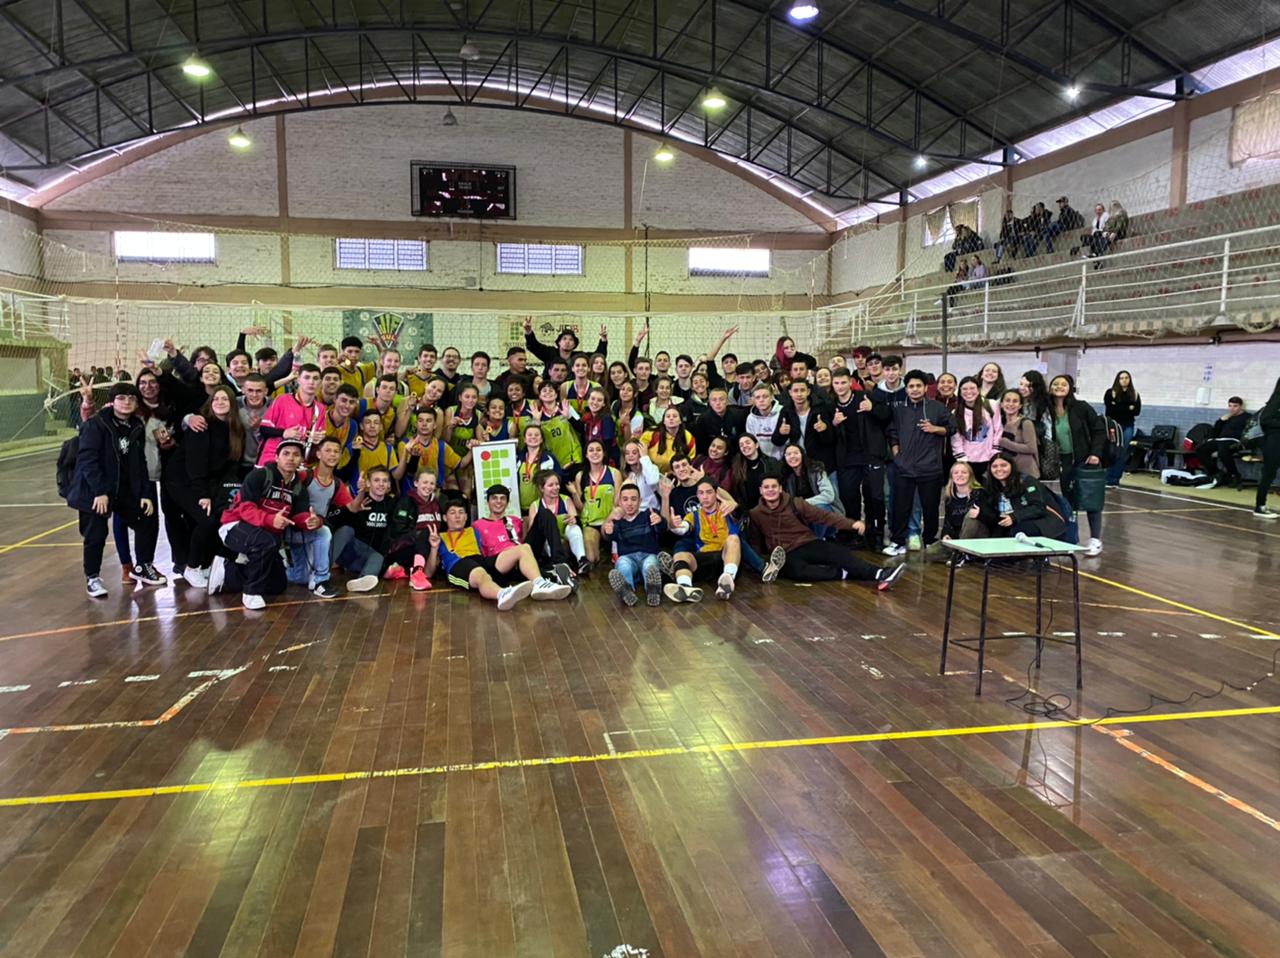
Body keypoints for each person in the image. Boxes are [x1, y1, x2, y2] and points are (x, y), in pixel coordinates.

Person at [67, 382, 163, 598]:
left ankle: (143, 566)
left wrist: (146, 493)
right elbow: (88, 460)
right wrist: (100, 491)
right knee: (96, 533)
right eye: (121, 398)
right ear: (112, 401)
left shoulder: (136, 425)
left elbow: (139, 462)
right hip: (94, 491)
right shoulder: (96, 424)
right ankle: (92, 578)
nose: (127, 402)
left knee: (147, 518)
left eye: (131, 398)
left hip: (122, 489)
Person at [208, 438, 319, 610]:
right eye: (286, 454)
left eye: (296, 455)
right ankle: (251, 593)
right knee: (268, 541)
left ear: (301, 460)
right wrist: (270, 519)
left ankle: (227, 571)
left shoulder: (298, 487)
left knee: (277, 585)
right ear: (276, 457)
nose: (291, 458)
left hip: (266, 535)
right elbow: (245, 508)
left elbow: (299, 515)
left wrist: (311, 521)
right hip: (234, 527)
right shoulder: (259, 475)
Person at [748, 476, 905, 590]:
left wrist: (851, 524)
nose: (770, 490)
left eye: (774, 486)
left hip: (807, 542)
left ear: (780, 489)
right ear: (761, 491)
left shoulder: (795, 503)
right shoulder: (755, 514)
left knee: (840, 554)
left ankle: (881, 573)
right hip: (785, 553)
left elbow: (823, 517)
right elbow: (755, 540)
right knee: (797, 572)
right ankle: (843, 573)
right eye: (766, 487)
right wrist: (760, 564)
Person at [166, 386, 248, 590]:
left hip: (208, 480)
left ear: (232, 404)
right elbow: (196, 464)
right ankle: (191, 567)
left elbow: (230, 465)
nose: (220, 402)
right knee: (207, 520)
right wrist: (203, 495)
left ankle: (203, 565)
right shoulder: (202, 426)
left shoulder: (235, 430)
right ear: (210, 404)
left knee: (218, 518)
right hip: (182, 480)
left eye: (225, 399)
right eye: (216, 399)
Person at [427, 501, 570, 610]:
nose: (457, 516)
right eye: (452, 513)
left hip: (481, 559)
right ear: (445, 518)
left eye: (461, 512)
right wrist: (434, 548)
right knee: (481, 574)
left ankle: (539, 583)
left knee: (524, 548)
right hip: (458, 564)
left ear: (466, 517)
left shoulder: (473, 530)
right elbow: (429, 572)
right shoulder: (439, 537)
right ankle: (501, 594)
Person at [885, 370, 954, 556]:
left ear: (925, 388)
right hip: (904, 467)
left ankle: (930, 540)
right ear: (906, 389)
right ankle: (898, 541)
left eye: (918, 386)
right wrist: (897, 454)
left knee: (930, 508)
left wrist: (935, 428)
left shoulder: (937, 408)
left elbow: (952, 428)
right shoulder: (899, 409)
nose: (914, 389)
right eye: (911, 386)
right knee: (900, 507)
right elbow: (892, 433)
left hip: (930, 467)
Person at [472, 484, 575, 599]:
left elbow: (530, 537)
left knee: (545, 513)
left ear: (507, 502)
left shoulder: (515, 520)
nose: (498, 502)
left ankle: (559, 563)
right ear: (488, 502)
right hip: (501, 563)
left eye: (502, 498)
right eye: (494, 498)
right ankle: (549, 578)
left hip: (525, 558)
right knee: (523, 550)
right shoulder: (477, 525)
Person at [1049, 374, 1107, 555]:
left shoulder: (1081, 408)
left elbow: (1099, 430)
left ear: (1070, 388)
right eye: (1055, 384)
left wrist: (1095, 453)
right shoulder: (1047, 410)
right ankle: (1072, 538)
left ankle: (1095, 539)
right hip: (1064, 462)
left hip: (1086, 461)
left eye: (1063, 384)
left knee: (1091, 501)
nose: (1059, 387)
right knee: (1069, 501)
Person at [661, 477, 743, 602]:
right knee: (680, 555)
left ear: (716, 494)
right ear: (697, 496)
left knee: (733, 539)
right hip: (704, 557)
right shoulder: (694, 515)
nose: (705, 496)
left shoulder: (728, 509)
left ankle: (727, 580)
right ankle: (685, 587)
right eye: (701, 493)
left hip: (725, 558)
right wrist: (673, 525)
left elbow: (740, 511)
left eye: (709, 492)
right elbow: (682, 529)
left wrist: (734, 503)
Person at [963, 454, 1067, 540]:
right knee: (989, 530)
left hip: (1040, 522)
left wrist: (1014, 517)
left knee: (1017, 531)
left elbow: (1038, 507)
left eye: (1003, 465)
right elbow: (992, 514)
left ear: (1011, 466)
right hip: (1006, 523)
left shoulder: (1027, 481)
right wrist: (981, 514)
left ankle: (1030, 559)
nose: (999, 469)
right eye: (994, 466)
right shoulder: (990, 487)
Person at [602, 483, 669, 606]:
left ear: (640, 501)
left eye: (633, 499)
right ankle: (627, 591)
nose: (629, 503)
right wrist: (608, 532)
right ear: (620, 503)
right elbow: (610, 537)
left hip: (648, 554)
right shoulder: (618, 523)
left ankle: (652, 590)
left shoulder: (649, 514)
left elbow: (663, 529)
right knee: (622, 564)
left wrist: (659, 521)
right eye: (625, 499)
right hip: (628, 557)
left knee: (650, 565)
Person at [387, 469, 444, 591]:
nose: (428, 487)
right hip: (404, 547)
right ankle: (417, 574)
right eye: (425, 482)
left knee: (432, 536)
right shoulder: (405, 502)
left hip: (430, 547)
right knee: (427, 530)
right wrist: (420, 535)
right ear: (416, 483)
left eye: (432, 483)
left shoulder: (437, 504)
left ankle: (401, 570)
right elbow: (398, 530)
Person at [568, 439, 622, 568]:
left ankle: (611, 548)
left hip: (609, 522)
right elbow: (581, 507)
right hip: (591, 523)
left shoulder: (614, 473)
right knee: (591, 558)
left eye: (598, 450)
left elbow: (618, 502)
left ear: (604, 453)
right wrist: (575, 493)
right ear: (586, 455)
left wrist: (611, 522)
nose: (595, 453)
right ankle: (601, 552)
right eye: (591, 450)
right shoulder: (580, 476)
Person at [527, 469, 589, 574]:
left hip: (565, 533)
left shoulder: (566, 500)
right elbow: (533, 530)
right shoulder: (535, 506)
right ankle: (559, 565)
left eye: (557, 484)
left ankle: (581, 560)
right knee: (546, 536)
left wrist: (574, 519)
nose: (556, 487)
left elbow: (575, 519)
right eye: (551, 485)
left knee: (575, 528)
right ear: (542, 488)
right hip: (547, 539)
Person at [924, 461, 982, 562]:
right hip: (956, 538)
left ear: (970, 475)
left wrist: (981, 514)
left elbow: (991, 516)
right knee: (927, 554)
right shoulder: (949, 496)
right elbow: (947, 520)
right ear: (952, 477)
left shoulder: (980, 493)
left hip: (976, 537)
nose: (960, 475)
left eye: (964, 472)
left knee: (971, 518)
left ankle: (961, 554)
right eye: (956, 473)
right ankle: (958, 554)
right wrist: (945, 534)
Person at [951, 376, 1002, 479]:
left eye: (972, 388)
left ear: (978, 390)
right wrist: (961, 457)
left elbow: (998, 428)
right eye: (965, 389)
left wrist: (995, 452)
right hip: (967, 461)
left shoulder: (991, 405)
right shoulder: (955, 413)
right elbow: (956, 438)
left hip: (989, 458)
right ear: (959, 392)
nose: (969, 392)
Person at [1195, 396, 1250, 489]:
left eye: (1235, 406)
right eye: (1230, 406)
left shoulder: (1247, 417)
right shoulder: (1226, 417)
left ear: (1241, 406)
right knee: (1200, 450)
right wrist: (1220, 421)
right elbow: (1215, 432)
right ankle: (1216, 473)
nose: (1232, 408)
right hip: (1220, 439)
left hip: (1234, 440)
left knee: (1223, 451)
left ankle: (1234, 475)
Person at [524, 317, 607, 376]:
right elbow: (534, 346)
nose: (567, 342)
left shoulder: (579, 357)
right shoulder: (550, 353)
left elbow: (598, 356)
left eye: (571, 340)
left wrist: (603, 339)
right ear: (559, 342)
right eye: (564, 339)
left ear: (574, 345)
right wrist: (528, 331)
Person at [1103, 370, 1141, 487]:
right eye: (1121, 378)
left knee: (1123, 452)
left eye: (1126, 378)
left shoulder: (1134, 394)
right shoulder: (1111, 393)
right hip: (1114, 426)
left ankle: (1115, 479)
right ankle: (1107, 478)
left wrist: (1119, 406)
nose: (1124, 380)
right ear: (1117, 380)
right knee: (1113, 451)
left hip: (1128, 425)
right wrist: (1128, 407)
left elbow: (1136, 411)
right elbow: (1110, 410)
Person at [1253, 377, 1280, 519]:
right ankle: (1260, 506)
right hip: (1273, 443)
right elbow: (1265, 419)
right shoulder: (1277, 399)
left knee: (1270, 474)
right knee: (1268, 475)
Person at [997, 389, 1040, 477]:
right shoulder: (999, 423)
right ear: (1001, 404)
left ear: (1020, 405)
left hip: (1026, 473)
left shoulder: (1025, 423)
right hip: (1006, 473)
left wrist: (1006, 443)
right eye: (1007, 400)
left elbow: (1031, 448)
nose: (1011, 404)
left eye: (1015, 401)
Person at [641, 406, 696, 473]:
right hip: (650, 473)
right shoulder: (650, 434)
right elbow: (641, 455)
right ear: (663, 421)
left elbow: (690, 461)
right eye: (668, 416)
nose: (671, 418)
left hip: (677, 475)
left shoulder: (688, 437)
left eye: (675, 416)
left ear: (680, 421)